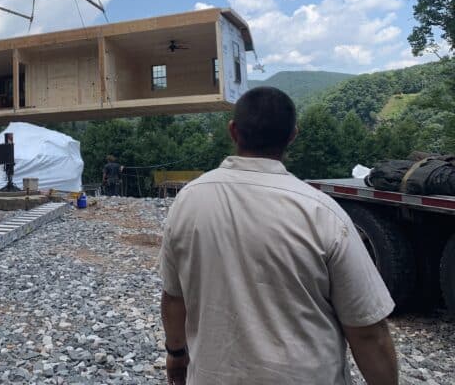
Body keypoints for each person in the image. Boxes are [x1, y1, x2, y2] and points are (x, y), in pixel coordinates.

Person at [159, 86, 398, 385]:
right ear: (292, 135)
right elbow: (368, 331)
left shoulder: (188, 201)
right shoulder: (323, 212)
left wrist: (176, 353)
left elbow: (173, 297)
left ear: (233, 131)